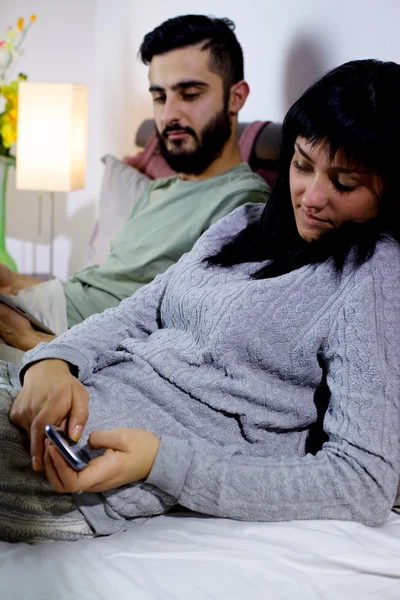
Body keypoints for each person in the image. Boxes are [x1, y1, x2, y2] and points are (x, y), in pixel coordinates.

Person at [1, 58, 399, 543]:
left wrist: (163, 462)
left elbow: (364, 481)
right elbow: (139, 311)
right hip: (67, 402)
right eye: (301, 164)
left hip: (94, 462)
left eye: (344, 183)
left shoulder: (374, 275)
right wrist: (52, 362)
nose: (311, 197)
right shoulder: (245, 223)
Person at [0, 14, 269, 353]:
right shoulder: (160, 188)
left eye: (189, 94)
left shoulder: (242, 203)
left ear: (236, 97)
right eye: (160, 96)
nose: (169, 114)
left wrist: (32, 340)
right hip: (47, 306)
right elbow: (104, 287)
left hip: (65, 339)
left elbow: (181, 346)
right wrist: (14, 282)